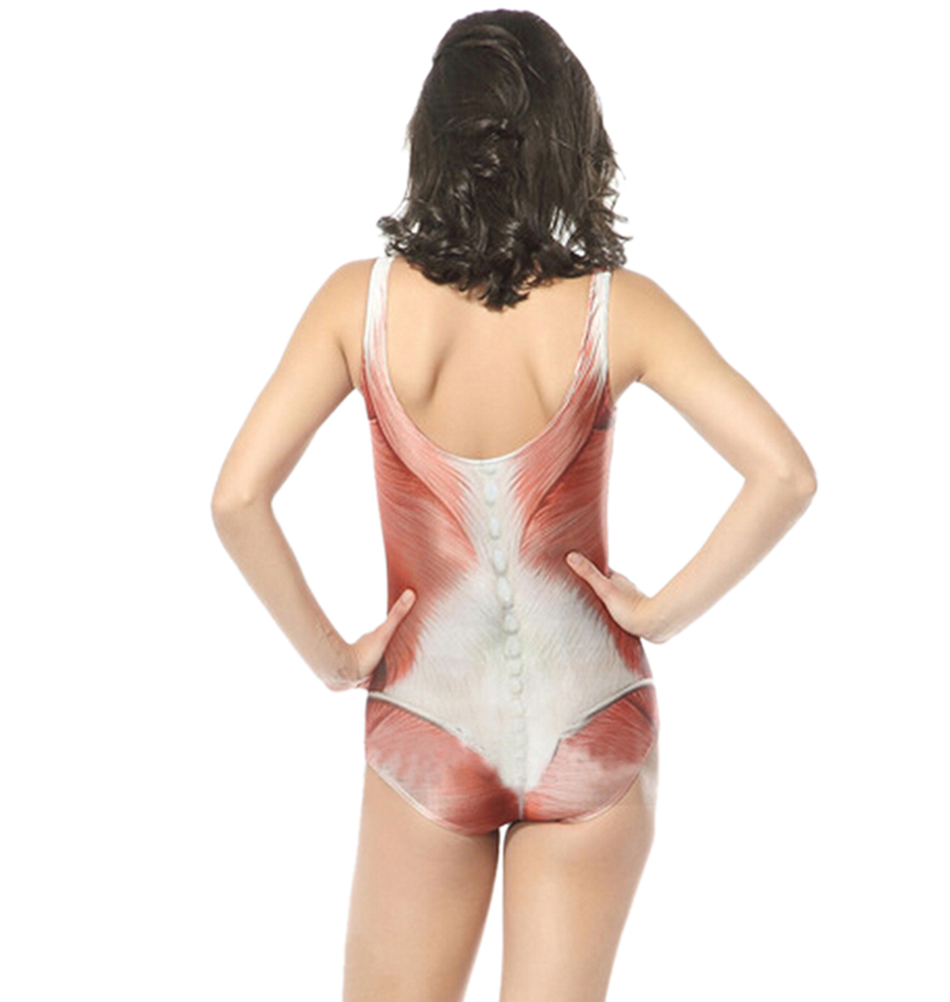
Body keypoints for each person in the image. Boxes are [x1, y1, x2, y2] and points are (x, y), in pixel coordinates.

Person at [211, 9, 817, 1001]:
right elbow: (783, 474)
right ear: (569, 143)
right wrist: (658, 613)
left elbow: (238, 498)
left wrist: (333, 658)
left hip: (427, 717)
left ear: (433, 141)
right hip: (596, 712)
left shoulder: (357, 306)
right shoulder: (618, 307)